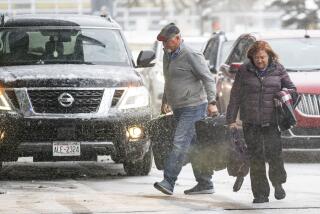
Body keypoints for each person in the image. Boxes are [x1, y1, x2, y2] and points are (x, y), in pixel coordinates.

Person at [226, 41, 296, 203]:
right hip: (251, 121)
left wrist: (283, 94)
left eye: (263, 57)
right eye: (256, 57)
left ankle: (278, 184)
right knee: (256, 157)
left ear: (269, 56)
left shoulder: (278, 69)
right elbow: (235, 96)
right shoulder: (244, 70)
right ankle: (260, 194)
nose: (260, 61)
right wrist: (231, 120)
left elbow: (292, 89)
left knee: (274, 155)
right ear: (252, 57)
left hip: (272, 121)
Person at [153, 23, 218, 195]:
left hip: (194, 106)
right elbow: (169, 80)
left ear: (177, 38)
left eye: (166, 41)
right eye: (162, 42)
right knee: (195, 146)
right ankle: (205, 183)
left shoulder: (191, 54)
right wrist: (165, 100)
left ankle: (168, 181)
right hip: (178, 107)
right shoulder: (168, 55)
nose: (164, 45)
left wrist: (212, 102)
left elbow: (208, 79)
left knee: (180, 143)